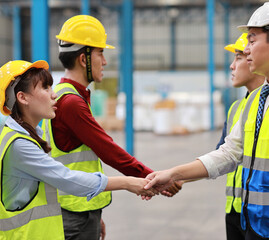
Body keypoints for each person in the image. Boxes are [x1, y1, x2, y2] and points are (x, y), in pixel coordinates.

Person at [144, 2, 269, 240]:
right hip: (254, 224)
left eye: (252, 40)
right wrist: (173, 174)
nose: (246, 48)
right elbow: (229, 154)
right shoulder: (256, 98)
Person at [43, 15, 181, 240]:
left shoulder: (65, 95)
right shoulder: (71, 102)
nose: (105, 62)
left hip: (80, 209)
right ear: (84, 59)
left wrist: (95, 216)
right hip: (75, 213)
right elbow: (108, 151)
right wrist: (155, 178)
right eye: (100, 53)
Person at [0, 60, 156, 240]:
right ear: (22, 97)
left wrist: (93, 217)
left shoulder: (23, 135)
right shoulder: (20, 145)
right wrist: (127, 183)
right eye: (45, 88)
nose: (54, 96)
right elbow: (66, 178)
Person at [217, 33, 263, 240]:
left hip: (264, 213)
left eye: (238, 57)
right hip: (235, 210)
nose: (232, 66)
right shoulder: (236, 108)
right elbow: (220, 157)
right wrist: (178, 177)